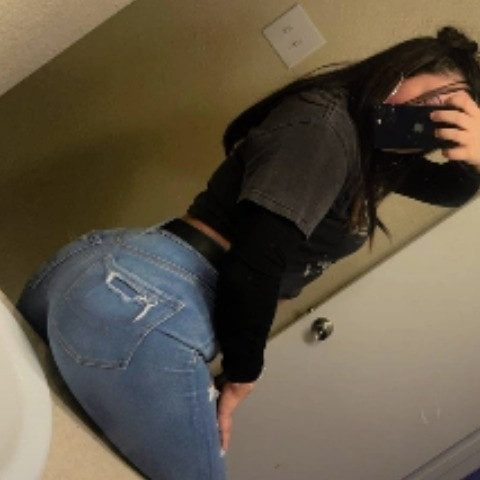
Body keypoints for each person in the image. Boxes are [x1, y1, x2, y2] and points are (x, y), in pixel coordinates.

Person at [17, 26, 480, 480]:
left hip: (116, 273)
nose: (433, 115)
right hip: (153, 297)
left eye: (451, 111)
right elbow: (254, 263)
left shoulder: (376, 154)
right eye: (435, 98)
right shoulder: (327, 127)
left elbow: (452, 190)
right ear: (399, 69)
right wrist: (242, 376)